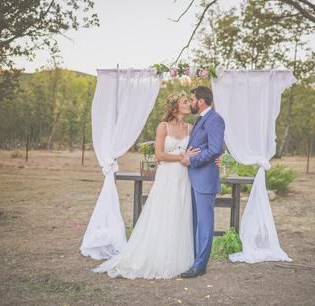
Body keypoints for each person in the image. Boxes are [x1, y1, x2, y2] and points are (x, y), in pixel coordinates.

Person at [92, 92, 200, 279]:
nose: (189, 104)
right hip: (167, 175)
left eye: (189, 101)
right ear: (175, 108)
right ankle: (157, 257)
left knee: (180, 213)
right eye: (185, 102)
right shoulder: (163, 127)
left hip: (184, 176)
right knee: (163, 213)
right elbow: (159, 156)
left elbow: (198, 149)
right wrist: (182, 157)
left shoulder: (191, 128)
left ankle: (178, 259)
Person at [180, 86, 225, 278]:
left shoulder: (215, 119)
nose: (190, 102)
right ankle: (195, 259)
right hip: (194, 178)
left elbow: (215, 148)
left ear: (201, 101)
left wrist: (192, 160)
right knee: (196, 221)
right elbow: (214, 146)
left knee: (205, 223)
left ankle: (200, 265)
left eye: (192, 99)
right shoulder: (201, 120)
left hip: (204, 178)